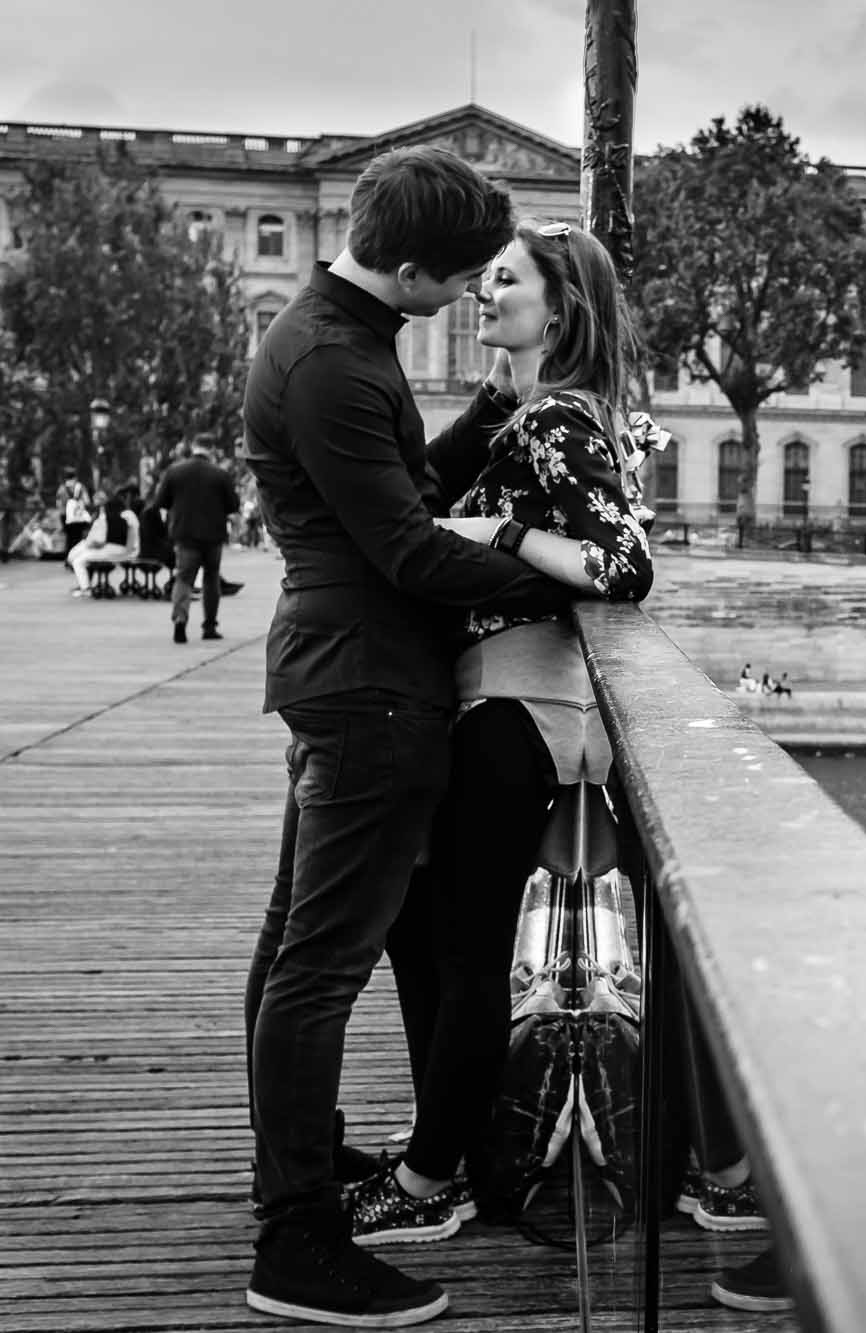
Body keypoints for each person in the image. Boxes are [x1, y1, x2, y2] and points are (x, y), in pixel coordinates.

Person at [239, 145, 571, 1330]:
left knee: (297, 945)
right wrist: (576, 581)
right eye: (463, 275)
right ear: (414, 264)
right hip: (373, 683)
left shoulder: (329, 336)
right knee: (320, 964)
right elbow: (409, 551)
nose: (469, 296)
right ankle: (295, 1243)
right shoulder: (335, 360)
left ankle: (300, 1164)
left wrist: (485, 414)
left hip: (344, 670)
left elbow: (395, 495)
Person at [372, 218, 657, 1260]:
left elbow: (620, 565)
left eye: (504, 282)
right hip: (522, 705)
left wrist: (495, 534)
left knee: (462, 950)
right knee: (429, 930)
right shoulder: (542, 414)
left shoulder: (555, 422)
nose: (481, 297)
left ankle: (431, 1178)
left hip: (519, 711)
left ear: (559, 307)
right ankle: (446, 1149)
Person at [150, 441, 239, 643]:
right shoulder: (220, 474)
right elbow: (233, 505)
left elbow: (160, 502)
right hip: (213, 536)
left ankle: (180, 621)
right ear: (212, 451)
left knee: (184, 579)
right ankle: (209, 626)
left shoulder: (174, 472)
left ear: (194, 449)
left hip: (185, 535)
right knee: (211, 578)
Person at [64, 491, 140, 597]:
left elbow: (101, 540)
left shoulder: (117, 518)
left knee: (79, 560)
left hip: (119, 550)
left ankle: (86, 588)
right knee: (82, 556)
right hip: (122, 549)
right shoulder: (124, 517)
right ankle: (85, 585)